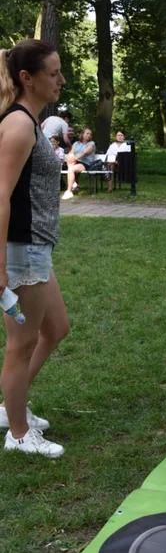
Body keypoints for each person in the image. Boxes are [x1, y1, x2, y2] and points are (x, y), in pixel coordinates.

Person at [0, 39, 70, 457]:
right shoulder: (19, 124)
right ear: (27, 78)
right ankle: (19, 432)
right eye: (53, 72)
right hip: (20, 250)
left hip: (36, 245)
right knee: (21, 343)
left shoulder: (30, 122)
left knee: (56, 329)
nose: (61, 79)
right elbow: (1, 195)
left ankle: (13, 406)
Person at [62, 127, 96, 200]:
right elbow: (71, 152)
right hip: (75, 162)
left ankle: (69, 190)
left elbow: (85, 152)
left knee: (70, 169)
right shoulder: (76, 143)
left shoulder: (91, 143)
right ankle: (72, 185)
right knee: (70, 157)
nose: (89, 135)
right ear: (82, 134)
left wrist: (75, 158)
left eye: (90, 134)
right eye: (87, 133)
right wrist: (68, 157)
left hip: (85, 163)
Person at [105, 129, 129, 193]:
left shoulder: (127, 145)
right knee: (110, 166)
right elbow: (108, 156)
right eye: (118, 135)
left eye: (121, 135)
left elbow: (128, 157)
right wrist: (113, 161)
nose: (120, 137)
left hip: (124, 164)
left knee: (112, 164)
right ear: (116, 137)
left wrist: (117, 161)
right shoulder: (112, 146)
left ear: (124, 137)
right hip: (113, 163)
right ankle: (110, 187)